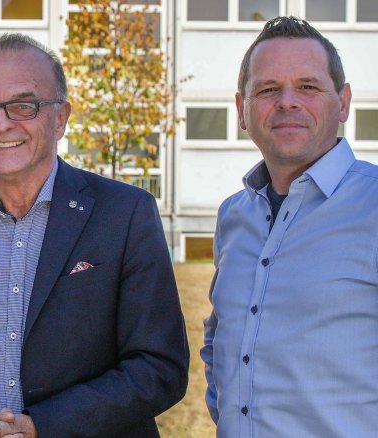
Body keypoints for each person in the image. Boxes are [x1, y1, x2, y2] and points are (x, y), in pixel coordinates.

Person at [0, 33, 189, 437]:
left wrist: (46, 426)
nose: (0, 123)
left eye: (23, 105)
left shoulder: (125, 214)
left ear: (60, 117)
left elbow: (159, 366)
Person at [202, 16, 378, 436]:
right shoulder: (233, 216)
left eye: (308, 86)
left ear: (345, 102)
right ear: (241, 110)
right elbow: (218, 346)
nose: (286, 101)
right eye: (266, 90)